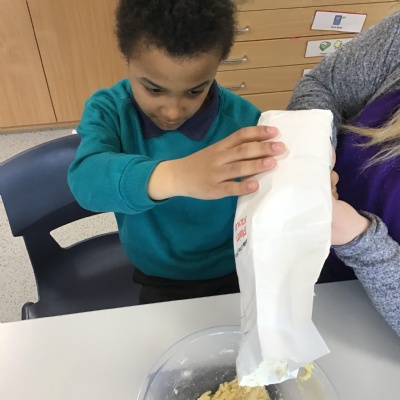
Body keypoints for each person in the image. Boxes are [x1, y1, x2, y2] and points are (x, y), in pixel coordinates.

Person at [67, 0, 285, 304]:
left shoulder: (245, 122)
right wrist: (176, 176)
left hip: (234, 266)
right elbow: (87, 182)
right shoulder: (109, 110)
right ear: (126, 57)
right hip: (158, 273)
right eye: (154, 89)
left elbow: (272, 191)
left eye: (195, 91)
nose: (172, 112)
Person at [288, 10, 400, 337]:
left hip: (372, 332)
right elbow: (323, 84)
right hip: (305, 268)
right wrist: (314, 150)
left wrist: (359, 239)